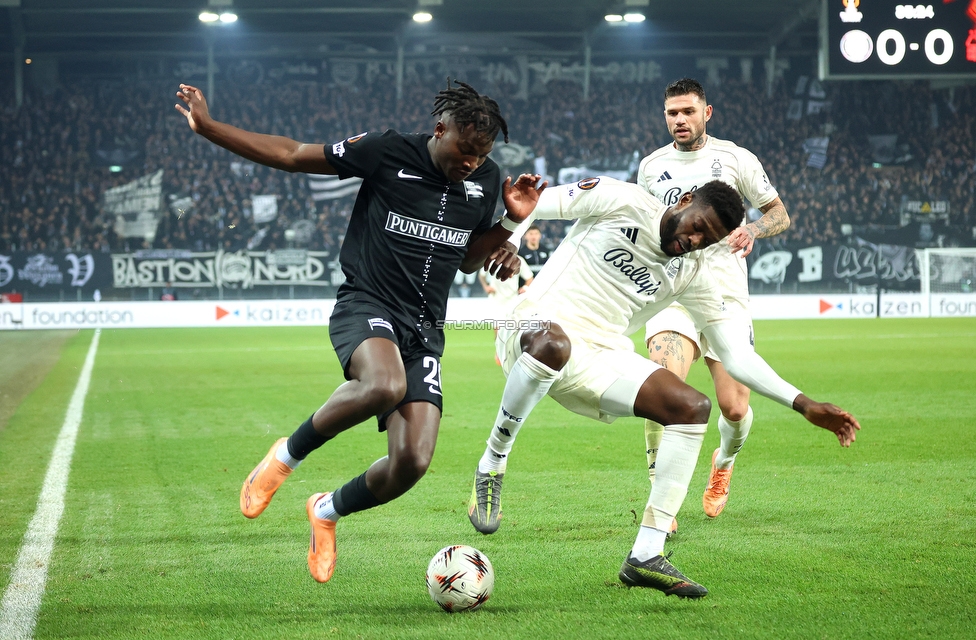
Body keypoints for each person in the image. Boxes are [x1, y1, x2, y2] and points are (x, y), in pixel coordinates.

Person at [176, 79, 545, 583]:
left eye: (481, 156)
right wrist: (210, 127)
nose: (472, 164)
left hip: (423, 330)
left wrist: (508, 228)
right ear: (440, 129)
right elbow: (289, 154)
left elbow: (467, 260)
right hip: (366, 304)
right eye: (465, 151)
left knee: (412, 461)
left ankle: (325, 512)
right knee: (383, 385)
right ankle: (285, 457)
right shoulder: (387, 150)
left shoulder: (486, 179)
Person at [465, 176, 858, 598]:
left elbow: (736, 355)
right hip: (531, 329)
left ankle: (646, 554)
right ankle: (492, 464)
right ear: (685, 200)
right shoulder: (622, 201)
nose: (694, 240)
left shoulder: (693, 271)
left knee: (692, 407)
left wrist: (803, 403)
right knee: (554, 343)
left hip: (599, 354)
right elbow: (533, 204)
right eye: (697, 227)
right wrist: (512, 239)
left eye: (707, 240)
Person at [637, 78, 792, 523]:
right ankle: (659, 487)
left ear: (708, 113)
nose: (679, 120)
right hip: (673, 293)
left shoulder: (736, 159)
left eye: (687, 111)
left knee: (735, 407)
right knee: (662, 386)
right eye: (672, 113)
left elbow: (778, 211)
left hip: (725, 294)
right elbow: (650, 225)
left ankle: (722, 464)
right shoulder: (651, 166)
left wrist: (753, 229)